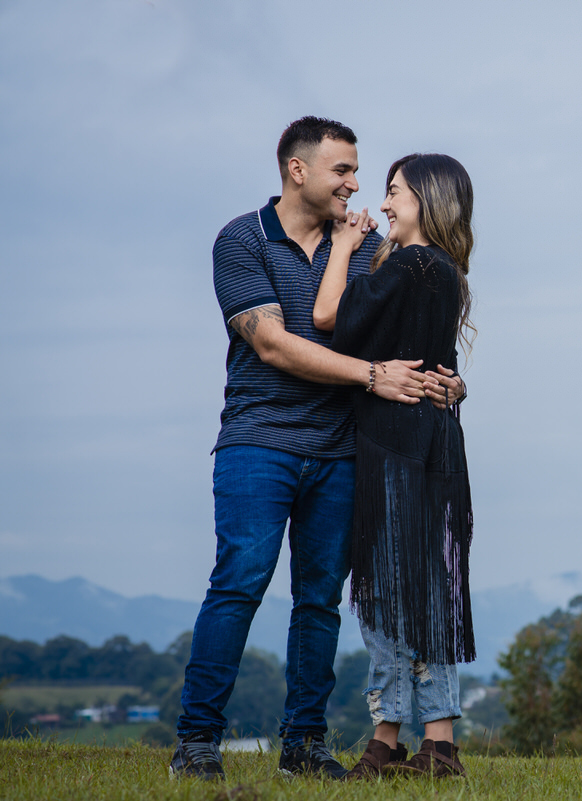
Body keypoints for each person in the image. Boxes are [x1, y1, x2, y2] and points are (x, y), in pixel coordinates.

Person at [168, 117, 464, 781]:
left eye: (358, 171)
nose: (355, 184)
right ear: (297, 170)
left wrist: (451, 382)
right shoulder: (243, 239)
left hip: (344, 449)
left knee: (320, 599)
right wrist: (371, 375)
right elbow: (272, 343)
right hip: (260, 439)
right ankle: (197, 741)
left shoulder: (369, 247)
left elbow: (413, 327)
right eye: (342, 171)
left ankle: (303, 745)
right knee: (240, 581)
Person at [310, 153, 476, 780]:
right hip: (434, 442)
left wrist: (343, 247)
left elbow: (328, 318)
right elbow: (440, 366)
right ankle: (435, 743)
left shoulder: (410, 263)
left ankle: (388, 741)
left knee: (384, 589)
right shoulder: (446, 272)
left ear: (427, 200)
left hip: (392, 444)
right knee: (426, 585)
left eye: (395, 192)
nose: (382, 204)